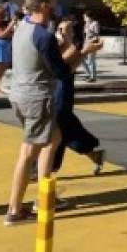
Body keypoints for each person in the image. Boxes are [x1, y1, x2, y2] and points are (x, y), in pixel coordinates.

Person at [5, 0, 76, 225]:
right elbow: (62, 71)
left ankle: (46, 195)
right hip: (36, 98)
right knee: (27, 153)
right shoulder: (42, 36)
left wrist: (63, 42)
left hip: (20, 95)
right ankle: (14, 211)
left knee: (53, 140)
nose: (56, 8)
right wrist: (81, 51)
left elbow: (45, 58)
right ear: (44, 5)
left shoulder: (21, 29)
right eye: (53, 3)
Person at [50, 19, 105, 184]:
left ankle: (47, 167)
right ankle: (94, 154)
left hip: (62, 92)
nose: (62, 32)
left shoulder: (72, 47)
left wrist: (85, 51)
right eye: (61, 28)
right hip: (53, 91)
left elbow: (63, 66)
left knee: (59, 129)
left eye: (67, 30)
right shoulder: (55, 44)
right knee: (67, 129)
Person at [80, 11, 100, 82]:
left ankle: (93, 77)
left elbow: (96, 35)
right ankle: (88, 74)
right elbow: (85, 35)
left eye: (85, 17)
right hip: (86, 43)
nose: (84, 19)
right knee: (81, 58)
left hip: (92, 43)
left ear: (89, 17)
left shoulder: (95, 23)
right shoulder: (86, 24)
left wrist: (89, 29)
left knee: (91, 60)